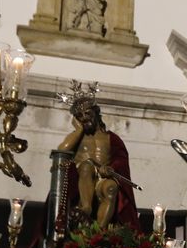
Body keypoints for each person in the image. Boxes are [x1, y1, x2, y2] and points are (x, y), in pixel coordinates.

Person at [56, 94, 139, 231]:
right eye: (80, 116)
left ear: (96, 112)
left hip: (102, 178)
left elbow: (120, 159)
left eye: (87, 113)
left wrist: (111, 168)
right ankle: (86, 208)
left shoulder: (110, 138)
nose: (85, 118)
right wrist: (78, 130)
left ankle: (99, 231)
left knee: (111, 187)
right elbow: (61, 151)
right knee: (87, 166)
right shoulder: (77, 137)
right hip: (82, 179)